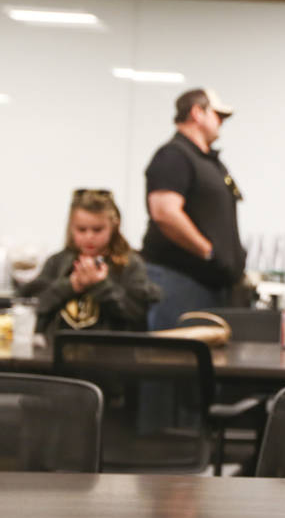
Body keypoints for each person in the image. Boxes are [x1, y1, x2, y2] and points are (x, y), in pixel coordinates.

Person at [141, 88, 246, 330]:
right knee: (174, 362)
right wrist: (208, 251)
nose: (221, 122)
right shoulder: (173, 155)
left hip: (208, 285)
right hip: (179, 281)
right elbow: (164, 213)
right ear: (197, 113)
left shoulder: (205, 159)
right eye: (218, 115)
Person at [19, 189, 156, 335]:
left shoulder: (129, 264)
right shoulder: (57, 262)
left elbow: (137, 314)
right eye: (81, 229)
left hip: (112, 352)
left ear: (113, 227)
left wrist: (100, 285)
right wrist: (72, 285)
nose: (89, 236)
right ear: (71, 227)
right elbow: (32, 307)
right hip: (57, 350)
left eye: (97, 230)